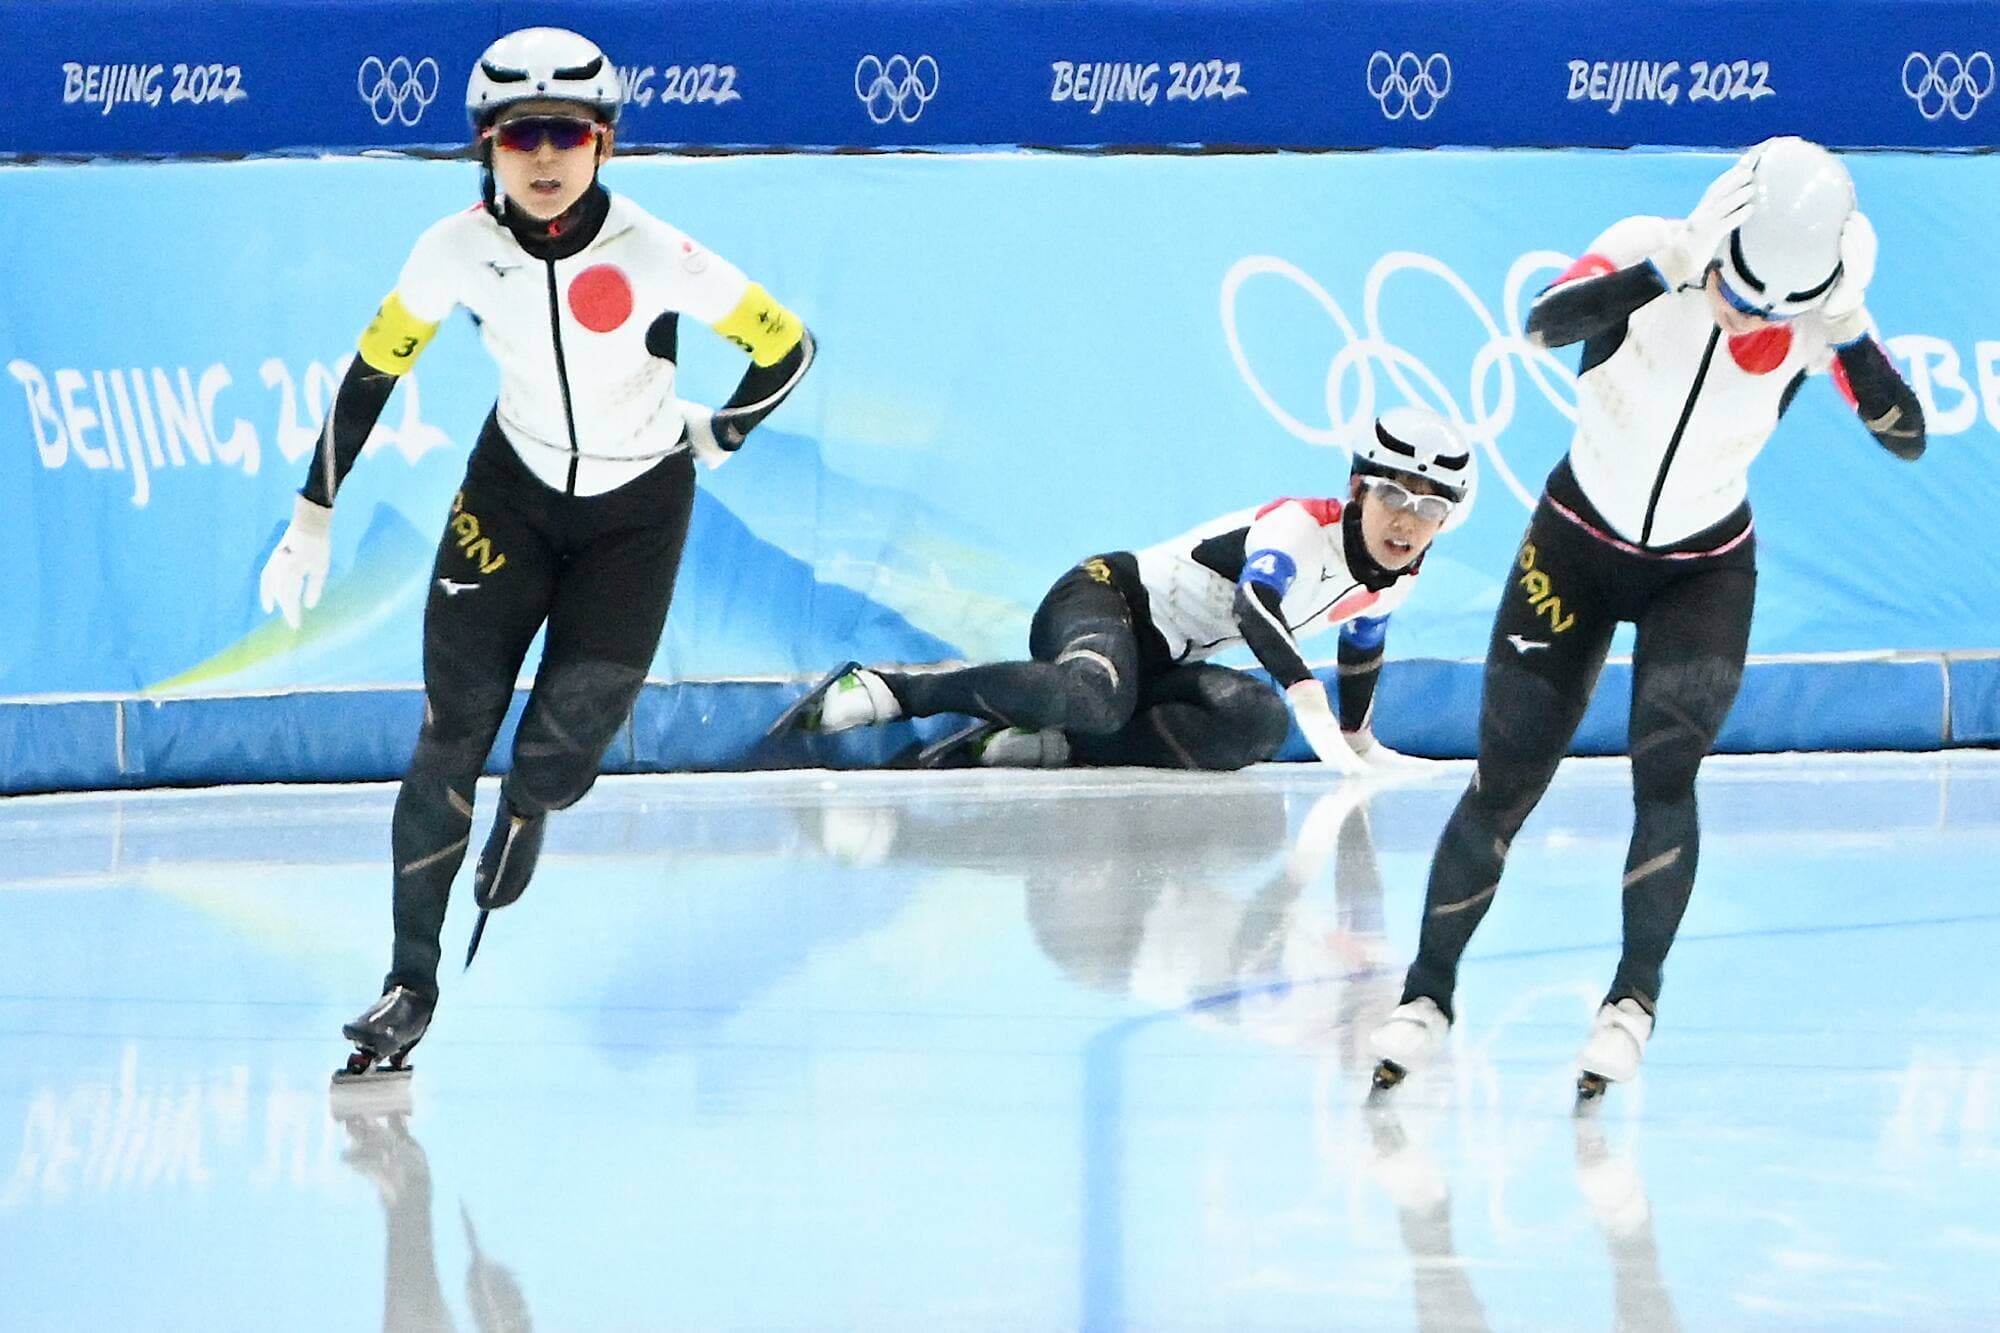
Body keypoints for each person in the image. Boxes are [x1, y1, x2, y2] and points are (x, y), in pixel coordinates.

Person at [256, 27, 816, 1081]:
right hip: (506, 499)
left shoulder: (656, 252)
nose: (545, 155)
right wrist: (314, 511)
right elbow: (373, 370)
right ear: (487, 147)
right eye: (521, 135)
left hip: (635, 517)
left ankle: (531, 805)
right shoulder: (453, 250)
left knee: (557, 758)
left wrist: (722, 430)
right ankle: (406, 985)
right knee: (447, 733)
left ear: (604, 142)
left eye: (567, 131)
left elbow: (787, 345)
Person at [1368, 137, 1926, 1101]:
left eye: (1771, 306)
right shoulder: (1649, 248)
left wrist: (1847, 332)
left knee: (1666, 776)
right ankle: (1425, 997)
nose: (1747, 313)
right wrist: (1664, 266)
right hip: (1574, 544)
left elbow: (1908, 437)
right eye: (1737, 288)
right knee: (1504, 780)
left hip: (1702, 572)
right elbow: (1544, 327)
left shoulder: (1816, 314)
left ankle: (1631, 1001)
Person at [779, 405, 1474, 773]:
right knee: (1096, 695)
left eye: (1431, 507)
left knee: (1256, 724)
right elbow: (1254, 608)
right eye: (1393, 494)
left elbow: (1363, 644)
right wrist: (1309, 697)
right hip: (1103, 597)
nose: (1408, 520)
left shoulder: (1398, 578)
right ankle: (889, 690)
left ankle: (1041, 746)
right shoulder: (1297, 525)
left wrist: (1356, 738)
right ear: (1358, 488)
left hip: (1162, 664)